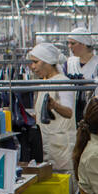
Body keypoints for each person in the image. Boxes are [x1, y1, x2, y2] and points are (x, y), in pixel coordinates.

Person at [27, 42, 77, 173]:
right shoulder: (44, 82)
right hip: (47, 143)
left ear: (47, 62)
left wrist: (54, 105)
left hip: (61, 146)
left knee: (65, 182)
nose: (32, 67)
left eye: (35, 62)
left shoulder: (63, 82)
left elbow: (69, 113)